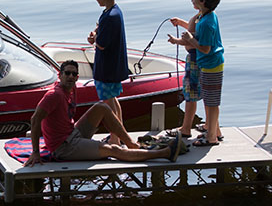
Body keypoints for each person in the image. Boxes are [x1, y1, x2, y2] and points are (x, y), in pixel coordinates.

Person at [23, 60, 182, 166]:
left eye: (74, 74)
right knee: (112, 150)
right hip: (63, 147)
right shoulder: (54, 95)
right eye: (67, 73)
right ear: (60, 75)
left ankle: (131, 144)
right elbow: (35, 119)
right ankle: (166, 153)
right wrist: (36, 152)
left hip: (73, 133)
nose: (70, 77)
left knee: (102, 107)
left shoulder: (72, 89)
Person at [168, 0, 224, 146]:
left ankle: (211, 138)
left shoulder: (207, 22)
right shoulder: (205, 17)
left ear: (203, 1)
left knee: (212, 102)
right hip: (207, 64)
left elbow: (205, 48)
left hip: (211, 63)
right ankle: (213, 132)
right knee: (209, 101)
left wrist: (190, 40)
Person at [87, 0, 129, 145]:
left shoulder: (110, 16)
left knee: (108, 103)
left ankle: (115, 139)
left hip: (106, 68)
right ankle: (118, 135)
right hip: (114, 66)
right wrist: (96, 33)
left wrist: (95, 38)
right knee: (113, 100)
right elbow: (101, 32)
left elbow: (102, 45)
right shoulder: (114, 11)